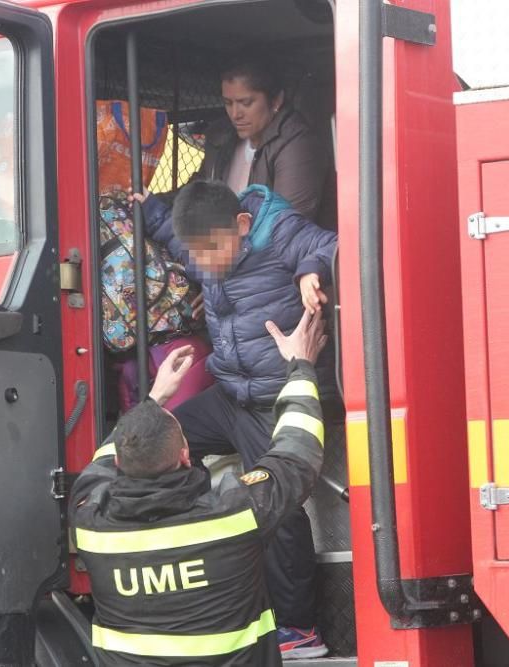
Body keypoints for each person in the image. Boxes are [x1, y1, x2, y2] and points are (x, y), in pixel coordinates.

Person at [136, 179, 339, 658]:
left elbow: (334, 243)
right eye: (196, 252)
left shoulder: (278, 232)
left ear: (242, 226)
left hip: (274, 399)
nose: (203, 263)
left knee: (279, 505)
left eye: (211, 250)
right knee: (161, 442)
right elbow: (173, 235)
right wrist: (150, 211)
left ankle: (299, 628)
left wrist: (310, 272)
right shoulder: (208, 245)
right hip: (229, 393)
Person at [71, 308, 329, 665]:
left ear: (119, 465)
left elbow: (101, 461)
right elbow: (297, 452)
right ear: (185, 454)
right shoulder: (235, 513)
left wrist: (153, 400)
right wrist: (300, 366)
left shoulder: (89, 517)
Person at [196, 57, 336, 229]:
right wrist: (154, 207)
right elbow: (194, 196)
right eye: (228, 103)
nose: (235, 114)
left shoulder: (297, 145)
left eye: (246, 103)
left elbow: (284, 229)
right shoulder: (223, 140)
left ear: (276, 101)